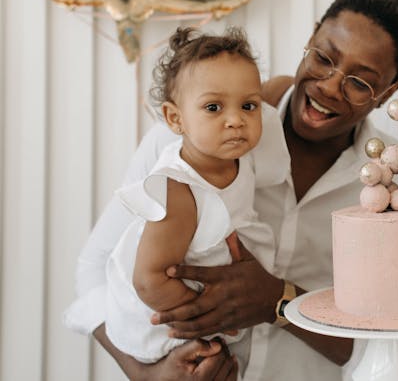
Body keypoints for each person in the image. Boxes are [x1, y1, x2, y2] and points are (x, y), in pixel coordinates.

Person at [66, 0, 398, 380]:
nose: (328, 85)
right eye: (324, 57)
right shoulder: (192, 135)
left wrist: (281, 302)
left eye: (360, 82)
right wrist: (148, 374)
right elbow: (96, 268)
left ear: (387, 92)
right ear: (310, 38)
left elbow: (395, 340)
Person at [65, 27, 284, 372]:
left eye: (248, 105)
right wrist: (208, 315)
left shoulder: (239, 159)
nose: (236, 120)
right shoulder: (177, 189)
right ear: (174, 118)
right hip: (163, 318)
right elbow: (148, 279)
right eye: (213, 107)